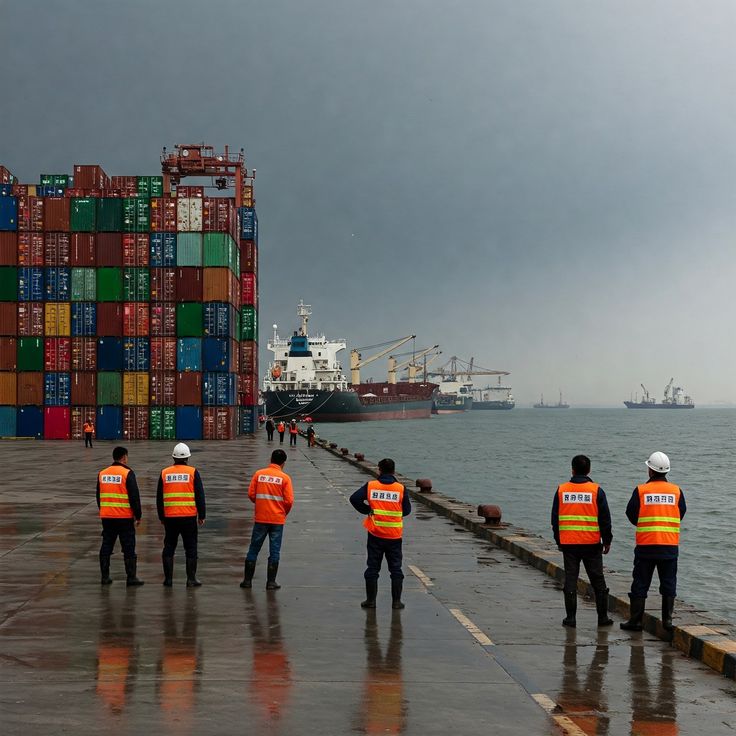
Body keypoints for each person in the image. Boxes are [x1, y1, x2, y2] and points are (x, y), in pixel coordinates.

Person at [620, 451, 686, 632]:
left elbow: (631, 513)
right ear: (667, 471)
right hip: (669, 546)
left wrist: (644, 523)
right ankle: (667, 621)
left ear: (650, 470)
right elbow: (681, 512)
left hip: (646, 545)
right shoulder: (676, 491)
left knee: (640, 583)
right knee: (669, 583)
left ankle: (635, 621)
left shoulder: (641, 490)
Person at [551, 454, 613, 627]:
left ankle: (571, 618)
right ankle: (602, 618)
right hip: (591, 544)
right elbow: (605, 519)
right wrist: (607, 540)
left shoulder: (562, 490)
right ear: (589, 470)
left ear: (572, 470)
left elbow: (555, 519)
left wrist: (559, 540)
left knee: (571, 579)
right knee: (598, 580)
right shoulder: (596, 491)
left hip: (569, 544)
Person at [350, 458, 411, 610]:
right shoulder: (400, 488)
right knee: (395, 569)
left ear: (379, 470)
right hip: (394, 536)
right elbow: (407, 510)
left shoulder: (371, 486)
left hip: (375, 534)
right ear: (394, 471)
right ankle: (396, 602)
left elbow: (354, 499)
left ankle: (371, 601)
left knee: (372, 568)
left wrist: (367, 510)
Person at [240, 448, 294, 590]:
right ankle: (271, 582)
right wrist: (283, 513)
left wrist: (260, 504)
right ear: (283, 463)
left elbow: (251, 494)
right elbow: (289, 501)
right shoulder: (285, 478)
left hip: (261, 518)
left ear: (270, 459)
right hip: (277, 520)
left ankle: (247, 581)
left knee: (254, 549)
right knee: (274, 551)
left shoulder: (259, 474)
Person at [157, 443, 206, 588]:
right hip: (188, 517)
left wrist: (161, 517)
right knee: (190, 548)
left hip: (170, 518)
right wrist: (202, 515)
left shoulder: (164, 473)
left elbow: (159, 497)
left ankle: (168, 580)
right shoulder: (193, 472)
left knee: (169, 547)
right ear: (187, 458)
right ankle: (191, 579)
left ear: (173, 457)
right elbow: (200, 495)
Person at [97, 446, 143, 586]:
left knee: (106, 545)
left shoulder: (102, 474)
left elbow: (98, 496)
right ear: (124, 457)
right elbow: (134, 497)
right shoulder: (127, 473)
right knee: (128, 547)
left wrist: (104, 510)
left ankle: (105, 577)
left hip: (107, 517)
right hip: (124, 518)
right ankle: (131, 577)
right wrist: (138, 515)